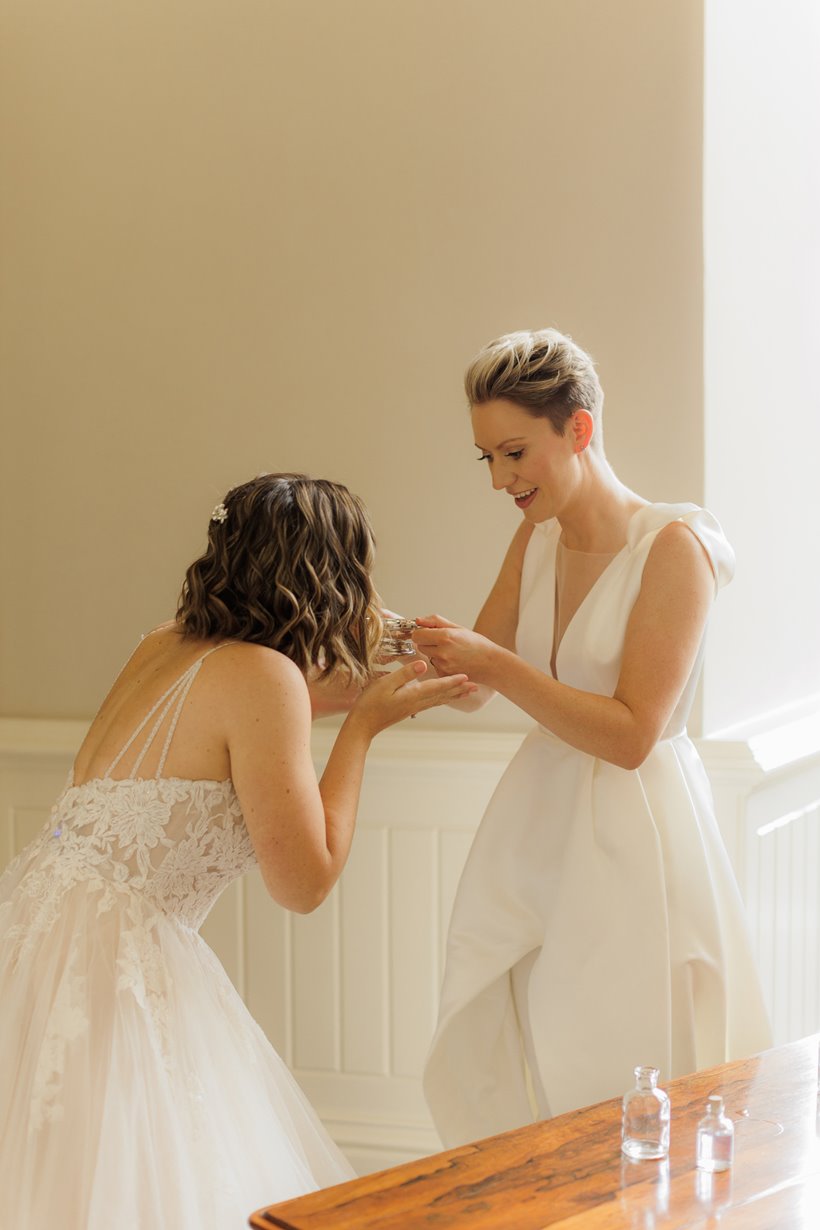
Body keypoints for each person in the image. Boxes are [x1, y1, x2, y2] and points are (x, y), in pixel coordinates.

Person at [0, 473, 475, 1228]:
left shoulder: (167, 643)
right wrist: (363, 731)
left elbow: (261, 712)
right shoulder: (264, 676)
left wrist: (397, 646)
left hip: (45, 918)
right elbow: (305, 884)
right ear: (332, 576)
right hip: (112, 949)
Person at [417, 329, 772, 1148]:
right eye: (488, 460)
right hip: (538, 831)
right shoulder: (536, 538)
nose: (503, 480)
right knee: (530, 1050)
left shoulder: (673, 548)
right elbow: (474, 684)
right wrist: (396, 648)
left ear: (578, 429)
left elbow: (632, 735)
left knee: (619, 1060)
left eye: (515, 452)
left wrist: (496, 666)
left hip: (630, 837)